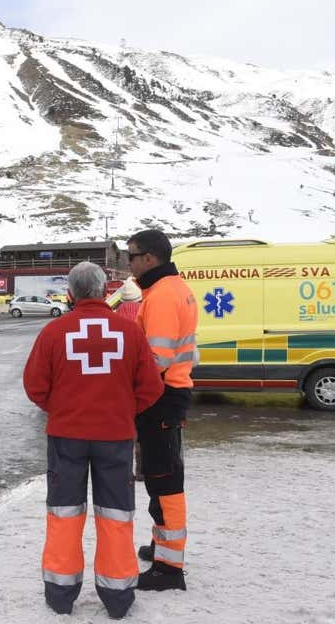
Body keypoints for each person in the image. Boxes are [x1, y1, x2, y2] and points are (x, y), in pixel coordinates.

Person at [24, 262, 164, 618]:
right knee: (116, 515)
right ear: (105, 291)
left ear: (70, 294)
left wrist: (62, 409)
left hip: (66, 437)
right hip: (115, 438)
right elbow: (151, 387)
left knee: (64, 513)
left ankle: (60, 594)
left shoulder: (55, 332)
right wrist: (122, 410)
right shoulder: (129, 332)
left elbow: (35, 386)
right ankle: (118, 598)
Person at [125, 229, 198, 591]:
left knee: (165, 480)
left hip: (162, 396)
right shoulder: (169, 289)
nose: (130, 264)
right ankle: (161, 547)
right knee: (160, 476)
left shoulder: (164, 296)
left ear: (149, 259)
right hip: (169, 394)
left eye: (132, 257)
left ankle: (169, 569)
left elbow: (156, 359)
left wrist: (128, 389)